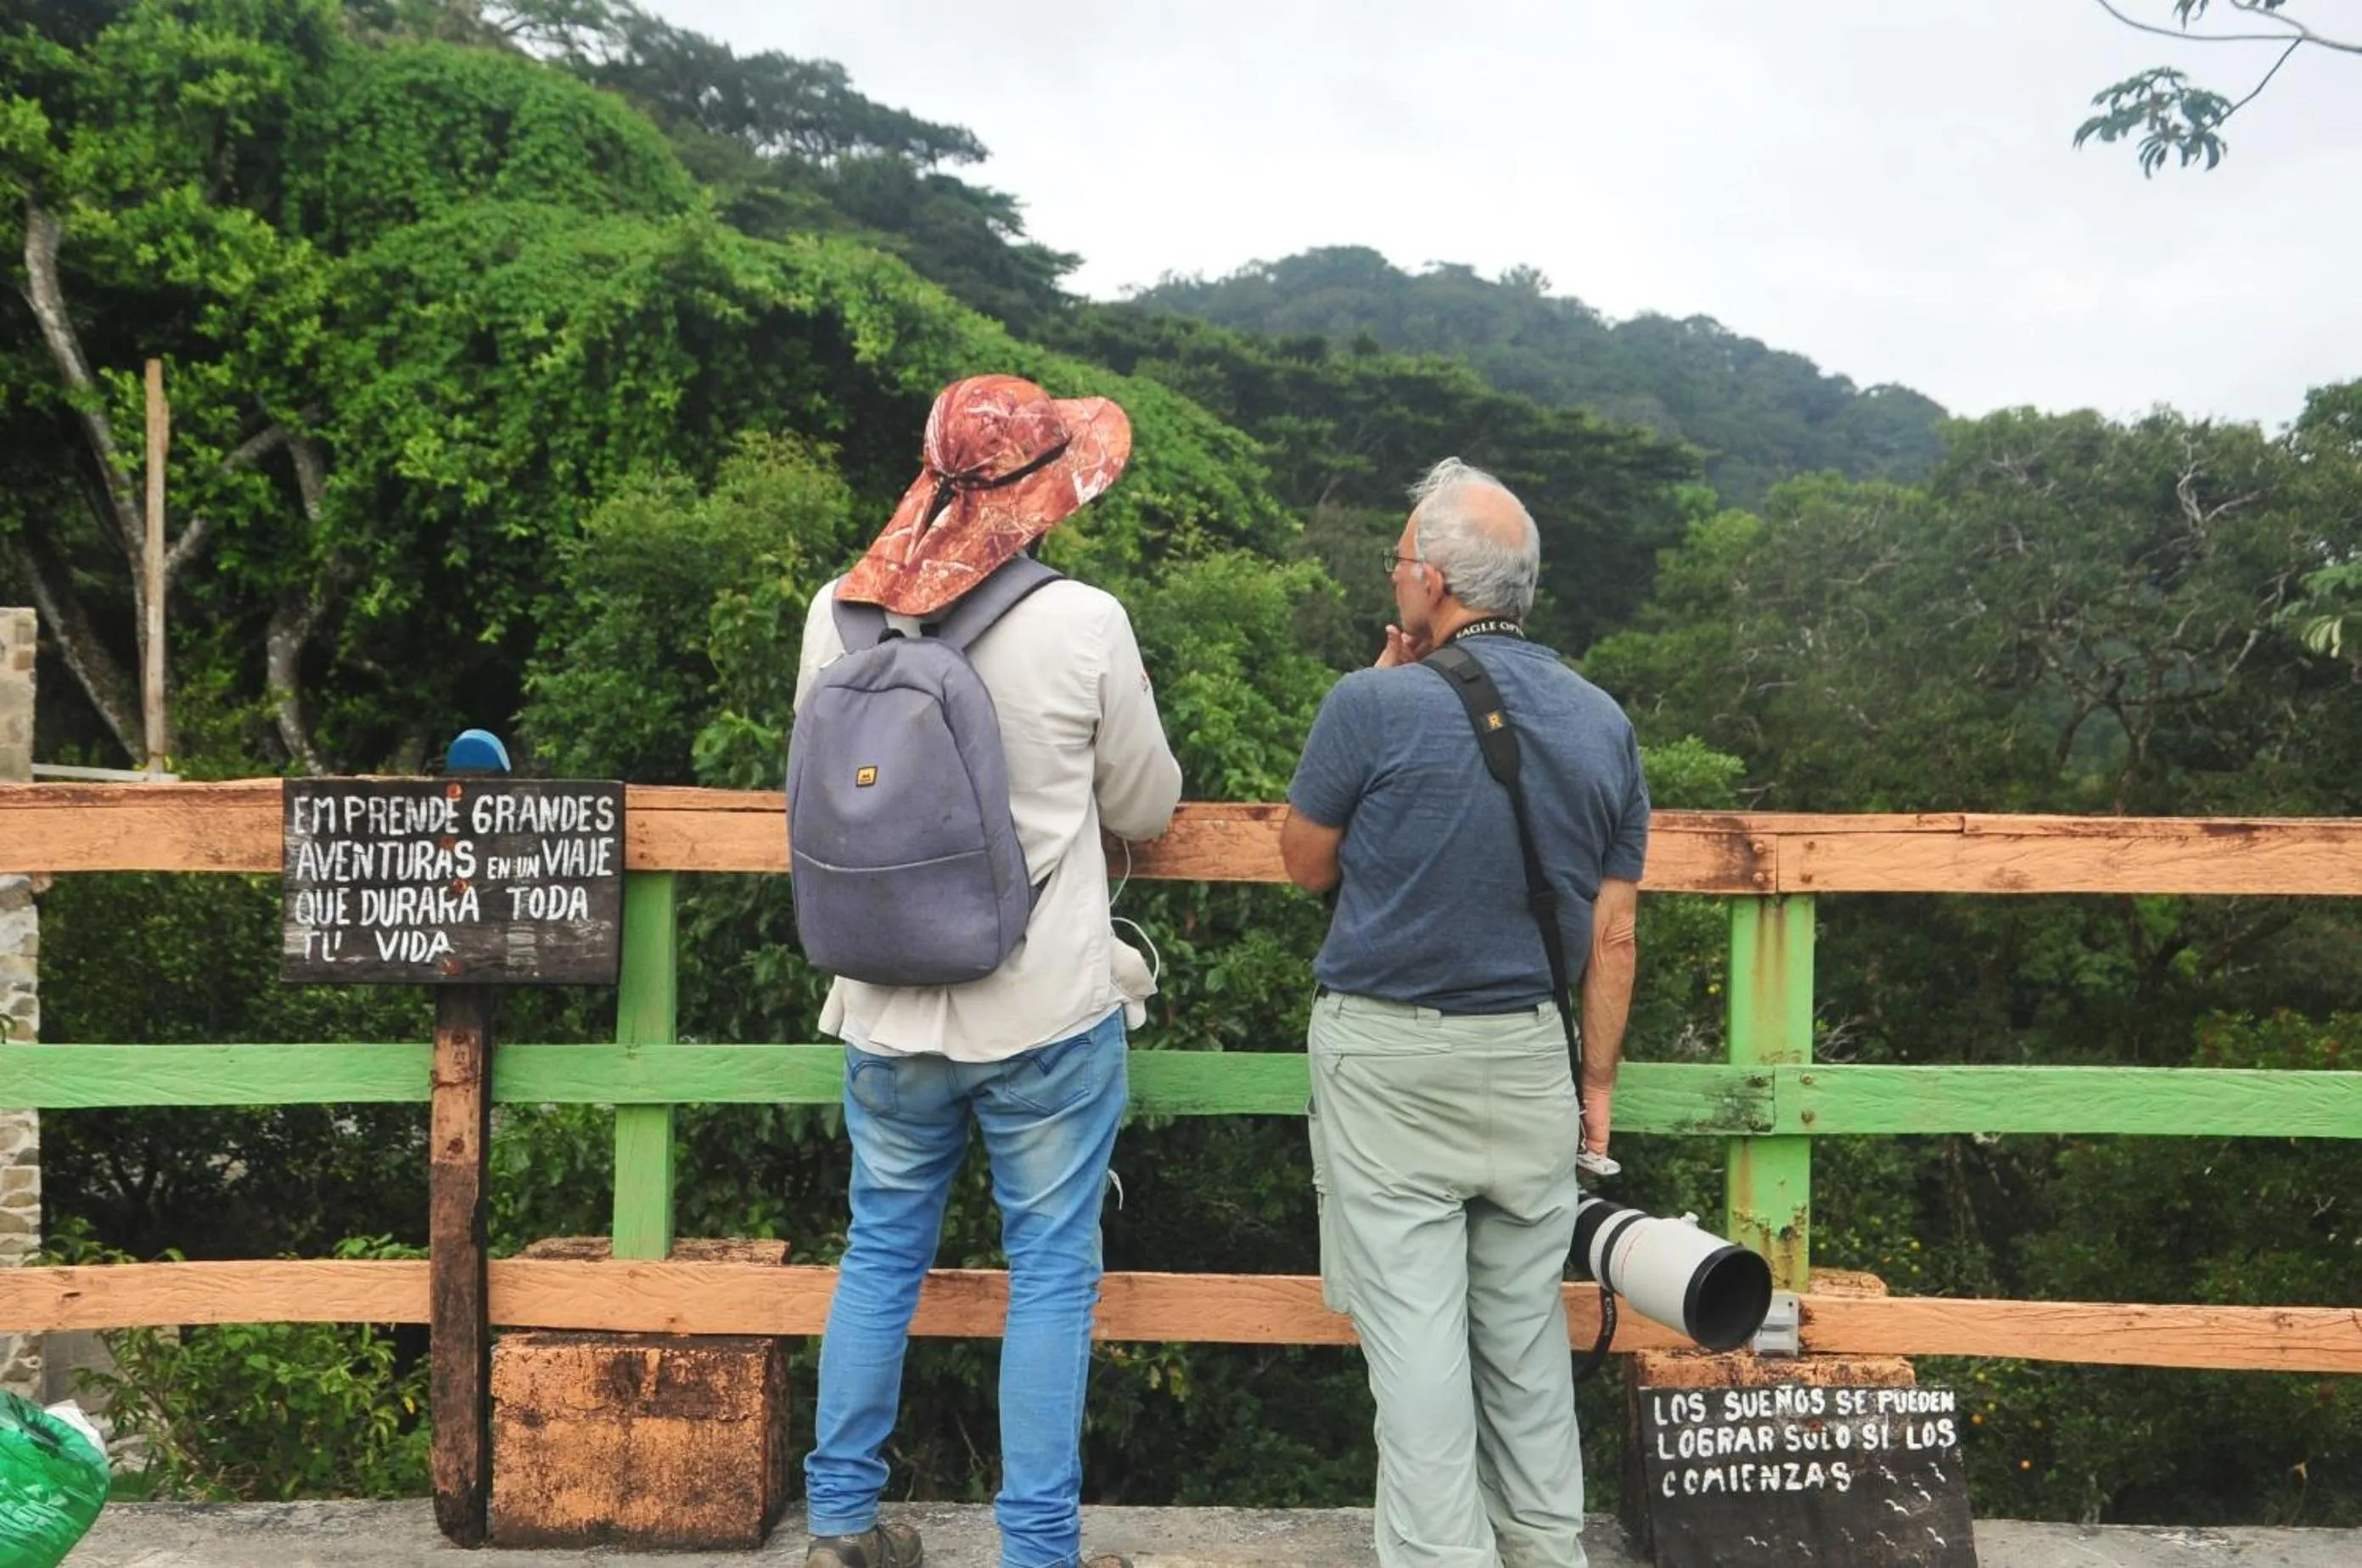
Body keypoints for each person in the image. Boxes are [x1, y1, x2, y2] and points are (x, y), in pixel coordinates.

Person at [794, 374, 1181, 1568]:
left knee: (877, 1255)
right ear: (1046, 496)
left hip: (883, 1003)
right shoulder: (1083, 622)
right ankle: (1036, 1551)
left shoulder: (837, 614)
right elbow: (1146, 802)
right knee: (1051, 1275)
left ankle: (842, 1524)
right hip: (1041, 1012)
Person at [1280, 457, 1647, 1568]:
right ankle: (1546, 1550)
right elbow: (1615, 931)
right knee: (1523, 1335)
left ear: (1431, 581)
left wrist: (1376, 688)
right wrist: (1593, 1087)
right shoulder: (1600, 722)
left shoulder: (1370, 702)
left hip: (1390, 1061)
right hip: (1535, 1057)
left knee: (1419, 1353)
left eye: (1400, 561)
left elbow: (1304, 864)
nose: (1396, 576)